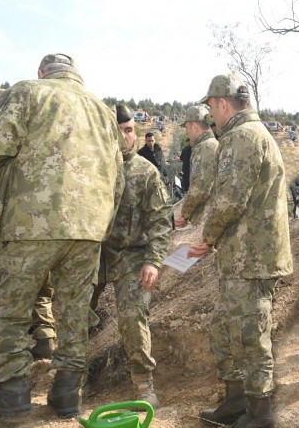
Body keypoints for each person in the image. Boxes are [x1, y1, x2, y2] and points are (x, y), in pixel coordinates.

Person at [0, 53, 124, 419]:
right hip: (89, 228)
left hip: (33, 221)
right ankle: (67, 393)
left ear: (42, 73)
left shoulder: (29, 92)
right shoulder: (104, 112)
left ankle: (10, 391)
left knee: (3, 306)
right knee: (74, 312)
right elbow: (118, 175)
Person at [193, 73, 292, 428]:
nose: (210, 117)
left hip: (252, 258)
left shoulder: (242, 137)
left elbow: (230, 200)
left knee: (251, 336)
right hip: (241, 256)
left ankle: (259, 414)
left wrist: (207, 237)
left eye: (211, 108)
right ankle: (236, 403)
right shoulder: (248, 134)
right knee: (225, 327)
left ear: (221, 103)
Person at [93, 104, 171, 407]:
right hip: (95, 254)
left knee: (130, 315)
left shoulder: (145, 171)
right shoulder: (94, 167)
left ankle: (143, 384)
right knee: (77, 314)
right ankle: (70, 378)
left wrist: (153, 260)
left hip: (133, 255)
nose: (128, 136)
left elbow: (161, 221)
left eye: (130, 130)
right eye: (122, 130)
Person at [174, 105, 218, 228]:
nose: (186, 131)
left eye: (186, 127)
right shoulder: (210, 144)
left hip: (205, 218)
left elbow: (199, 189)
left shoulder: (204, 148)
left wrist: (183, 215)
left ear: (194, 126)